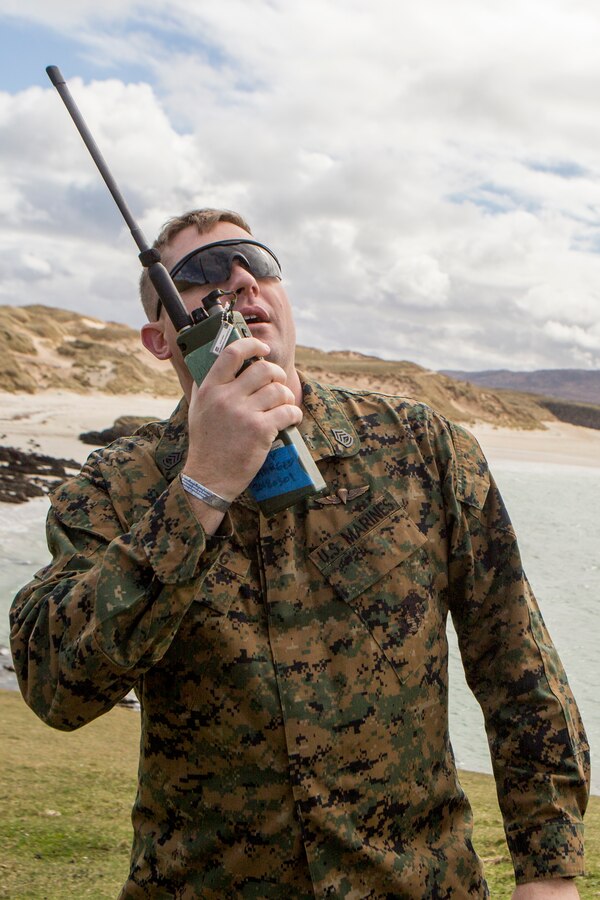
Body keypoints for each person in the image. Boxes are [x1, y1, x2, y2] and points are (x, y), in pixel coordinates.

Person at [10, 208, 589, 899]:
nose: (238, 277)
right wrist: (201, 487)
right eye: (200, 272)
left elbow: (516, 659)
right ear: (159, 338)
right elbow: (55, 687)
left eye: (258, 261)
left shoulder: (420, 445)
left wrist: (550, 873)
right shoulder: (114, 486)